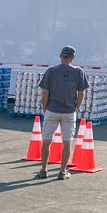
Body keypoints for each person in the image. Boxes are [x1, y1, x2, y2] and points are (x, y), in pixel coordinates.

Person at [36, 45, 88, 180]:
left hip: (52, 109)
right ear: (73, 57)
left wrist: (45, 107)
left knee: (46, 141)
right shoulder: (79, 72)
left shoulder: (51, 71)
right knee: (67, 142)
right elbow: (81, 93)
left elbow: (45, 93)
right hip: (69, 111)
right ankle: (62, 171)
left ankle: (43, 170)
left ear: (60, 56)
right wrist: (77, 107)